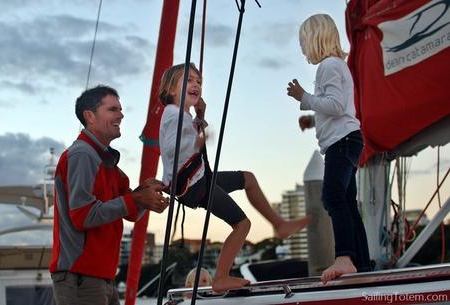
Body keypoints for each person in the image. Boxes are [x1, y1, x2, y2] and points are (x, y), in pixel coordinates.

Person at [159, 63, 311, 293]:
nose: (196, 84)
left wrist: (200, 117)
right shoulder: (172, 115)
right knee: (242, 224)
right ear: (171, 89)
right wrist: (195, 141)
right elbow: (171, 148)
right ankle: (220, 277)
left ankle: (279, 225)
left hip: (200, 176)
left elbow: (184, 139)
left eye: (198, 81)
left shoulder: (184, 115)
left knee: (247, 178)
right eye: (189, 80)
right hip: (193, 185)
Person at [49, 85, 169, 305]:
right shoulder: (82, 154)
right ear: (90, 116)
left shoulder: (106, 161)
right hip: (81, 277)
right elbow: (82, 215)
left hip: (99, 277)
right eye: (113, 109)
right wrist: (137, 199)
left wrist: (146, 195)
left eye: (120, 109)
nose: (121, 115)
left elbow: (132, 213)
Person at [286, 14, 371, 284]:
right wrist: (312, 119)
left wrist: (304, 98)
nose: (301, 48)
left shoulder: (329, 66)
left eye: (302, 42)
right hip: (347, 139)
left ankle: (344, 258)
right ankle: (360, 260)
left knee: (333, 197)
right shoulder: (337, 66)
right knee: (346, 202)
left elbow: (334, 105)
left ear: (314, 39)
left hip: (342, 143)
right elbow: (340, 108)